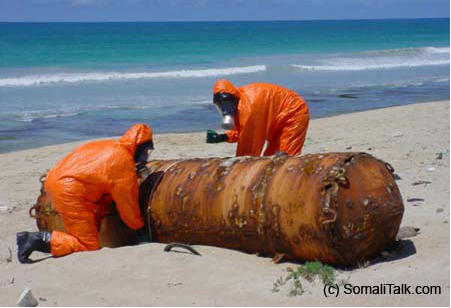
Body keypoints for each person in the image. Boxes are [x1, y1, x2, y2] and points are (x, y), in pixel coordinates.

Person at [16, 123, 154, 263]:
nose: (145, 158)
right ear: (138, 147)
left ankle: (40, 238)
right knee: (88, 245)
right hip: (71, 190)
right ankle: (35, 239)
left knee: (88, 228)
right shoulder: (123, 162)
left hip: (58, 179)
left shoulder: (109, 145)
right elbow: (127, 204)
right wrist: (140, 229)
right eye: (146, 152)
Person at [207, 80, 310, 157]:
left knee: (285, 157)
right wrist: (222, 137)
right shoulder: (241, 103)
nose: (224, 109)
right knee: (269, 160)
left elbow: (248, 151)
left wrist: (240, 168)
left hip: (293, 111)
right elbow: (244, 132)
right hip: (277, 119)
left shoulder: (248, 109)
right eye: (220, 106)